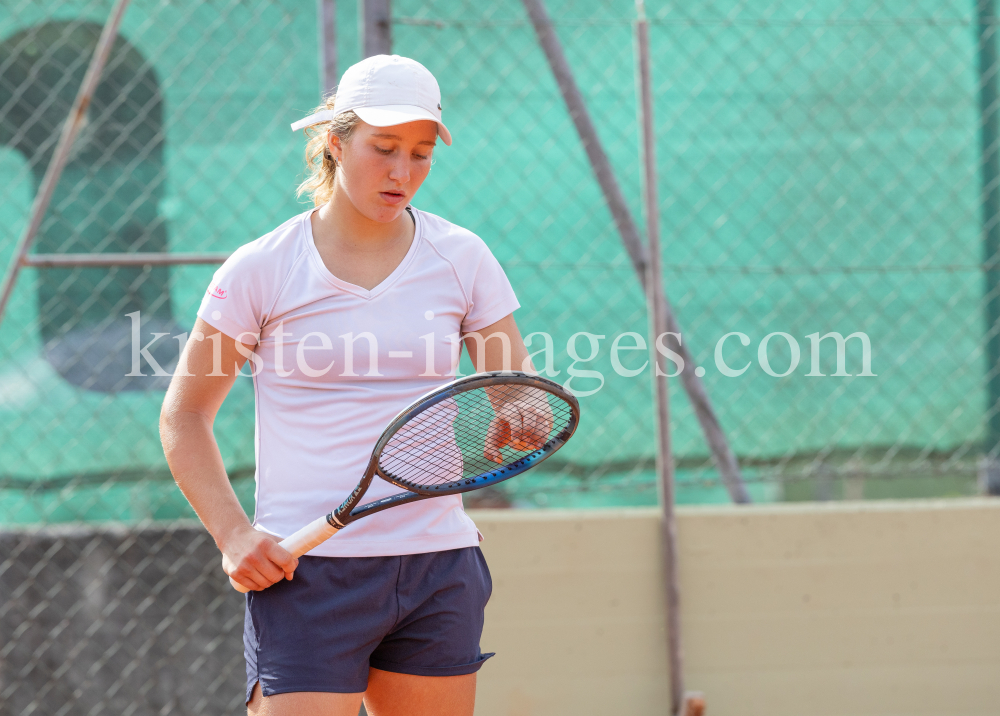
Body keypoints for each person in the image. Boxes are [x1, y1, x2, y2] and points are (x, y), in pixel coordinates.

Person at [160, 55, 544, 716]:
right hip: (305, 570)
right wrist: (233, 535)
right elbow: (185, 415)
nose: (403, 172)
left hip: (436, 563)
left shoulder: (463, 258)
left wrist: (519, 420)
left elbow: (519, 396)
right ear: (336, 143)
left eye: (422, 154)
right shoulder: (263, 268)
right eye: (385, 148)